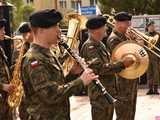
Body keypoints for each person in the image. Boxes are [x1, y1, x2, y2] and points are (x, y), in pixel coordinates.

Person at [21, 9, 98, 120]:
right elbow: (51, 95)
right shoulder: (34, 59)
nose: (59, 31)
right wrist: (81, 81)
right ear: (42, 30)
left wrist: (73, 72)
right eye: (55, 27)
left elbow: (57, 83)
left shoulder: (48, 53)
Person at [80, 16, 134, 120]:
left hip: (107, 91)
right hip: (99, 95)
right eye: (104, 26)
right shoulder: (90, 46)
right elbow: (100, 69)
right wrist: (122, 64)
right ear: (97, 30)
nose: (106, 28)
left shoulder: (100, 44)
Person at [107, 12, 138, 120]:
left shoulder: (124, 36)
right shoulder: (114, 39)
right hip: (122, 83)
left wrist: (133, 41)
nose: (129, 26)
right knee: (123, 114)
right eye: (126, 23)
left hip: (130, 80)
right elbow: (125, 60)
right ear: (118, 23)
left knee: (130, 112)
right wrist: (138, 46)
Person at [0, 18, 16, 120]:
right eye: (2, 29)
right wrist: (3, 86)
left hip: (5, 100)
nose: (4, 32)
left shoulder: (0, 48)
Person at [145, 21, 160, 95]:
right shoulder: (145, 35)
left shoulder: (158, 35)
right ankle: (150, 89)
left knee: (156, 73)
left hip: (156, 56)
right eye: (151, 26)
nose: (152, 27)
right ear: (148, 27)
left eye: (153, 26)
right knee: (149, 73)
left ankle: (156, 89)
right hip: (147, 56)